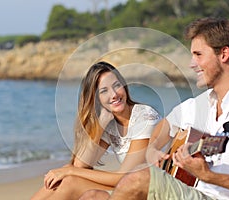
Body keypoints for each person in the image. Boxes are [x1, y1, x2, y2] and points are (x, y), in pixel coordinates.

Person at [80, 17, 229, 200]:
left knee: (138, 179)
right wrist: (152, 150)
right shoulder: (203, 103)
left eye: (198, 55)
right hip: (194, 192)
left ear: (224, 54)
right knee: (92, 196)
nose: (191, 64)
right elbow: (165, 125)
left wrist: (209, 176)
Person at [31, 61, 161, 200]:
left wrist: (70, 170)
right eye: (104, 91)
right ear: (96, 99)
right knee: (64, 179)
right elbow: (81, 164)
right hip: (131, 187)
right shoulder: (111, 123)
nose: (114, 94)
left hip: (155, 190)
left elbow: (124, 176)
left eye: (117, 85)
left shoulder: (144, 116)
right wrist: (101, 123)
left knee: (71, 182)